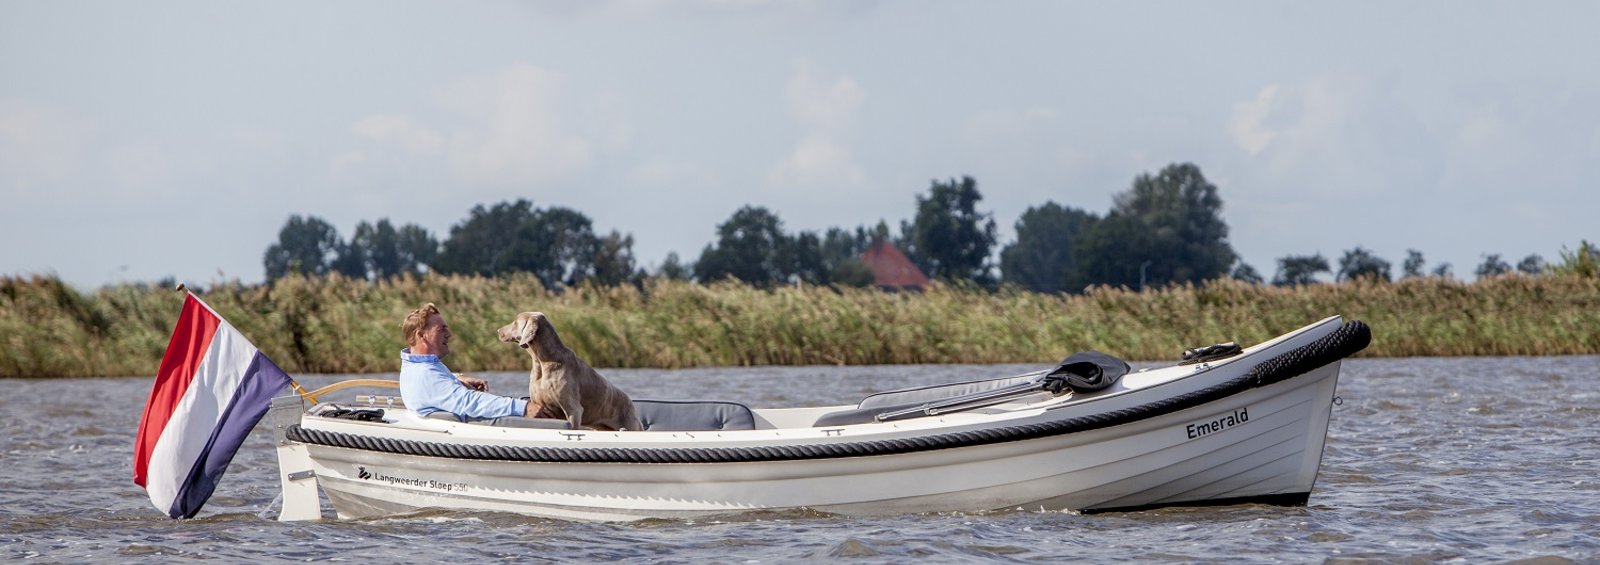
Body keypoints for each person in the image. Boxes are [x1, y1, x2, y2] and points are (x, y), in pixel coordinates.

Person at [398, 302, 546, 421]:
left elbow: (436, 384)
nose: (448, 334)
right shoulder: (425, 374)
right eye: (441, 330)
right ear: (421, 335)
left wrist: (456, 379)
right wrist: (523, 407)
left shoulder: (415, 366)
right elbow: (469, 402)